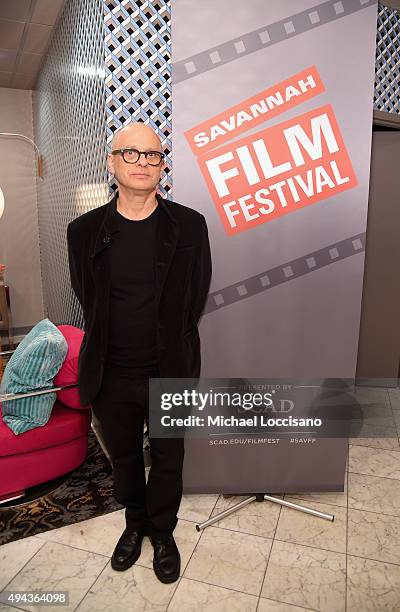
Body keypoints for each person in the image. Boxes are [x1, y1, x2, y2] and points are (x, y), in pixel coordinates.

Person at [67, 121, 212, 583]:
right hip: (110, 372)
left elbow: (196, 296)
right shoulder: (84, 230)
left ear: (162, 166)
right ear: (113, 163)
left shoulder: (189, 225)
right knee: (125, 455)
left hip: (168, 370)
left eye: (152, 155)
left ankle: (163, 531)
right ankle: (135, 524)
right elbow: (84, 294)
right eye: (131, 154)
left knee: (169, 455)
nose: (143, 163)